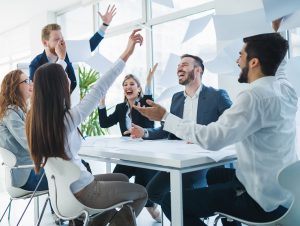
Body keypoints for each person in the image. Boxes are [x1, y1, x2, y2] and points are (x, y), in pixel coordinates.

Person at [134, 33, 298, 226]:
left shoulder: (252, 97)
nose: (237, 61)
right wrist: (276, 31)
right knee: (213, 175)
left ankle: (232, 212)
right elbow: (281, 67)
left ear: (253, 62)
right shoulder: (287, 89)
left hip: (261, 201)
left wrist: (164, 117)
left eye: (240, 55)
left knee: (172, 202)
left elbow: (212, 138)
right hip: (288, 194)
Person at [26, 29, 148, 226]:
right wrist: (127, 52)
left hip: (66, 191)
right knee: (141, 193)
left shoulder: (36, 118)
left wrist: (63, 59)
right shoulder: (68, 118)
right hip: (85, 191)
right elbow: (101, 85)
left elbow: (46, 82)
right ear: (58, 87)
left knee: (123, 177)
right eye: (65, 77)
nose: (69, 79)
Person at [127, 54, 232, 210]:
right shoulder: (176, 98)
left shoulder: (217, 95)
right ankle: (181, 213)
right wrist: (145, 133)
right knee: (153, 192)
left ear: (198, 70)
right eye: (178, 66)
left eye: (184, 65)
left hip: (205, 161)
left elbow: (230, 128)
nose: (179, 68)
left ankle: (187, 213)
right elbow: (167, 127)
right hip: (180, 159)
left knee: (187, 196)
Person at [98, 63, 161, 222]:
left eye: (132, 84)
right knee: (114, 184)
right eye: (125, 85)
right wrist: (101, 103)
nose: (128, 87)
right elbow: (104, 123)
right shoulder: (121, 108)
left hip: (145, 157)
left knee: (144, 191)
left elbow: (148, 99)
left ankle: (152, 209)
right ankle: (118, 217)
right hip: (128, 156)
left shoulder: (146, 104)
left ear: (138, 89)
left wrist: (148, 82)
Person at [29, 4, 116, 92]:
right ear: (45, 43)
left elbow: (90, 46)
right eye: (56, 40)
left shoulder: (67, 50)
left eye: (62, 38)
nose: (61, 42)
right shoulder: (36, 64)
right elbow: (36, 92)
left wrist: (105, 25)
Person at [0, 70, 48, 192]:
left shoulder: (17, 111)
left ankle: (62, 210)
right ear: (15, 87)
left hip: (28, 171)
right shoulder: (11, 112)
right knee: (73, 173)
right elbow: (31, 144)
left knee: (66, 170)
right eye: (26, 81)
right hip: (27, 176)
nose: (31, 84)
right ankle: (67, 210)